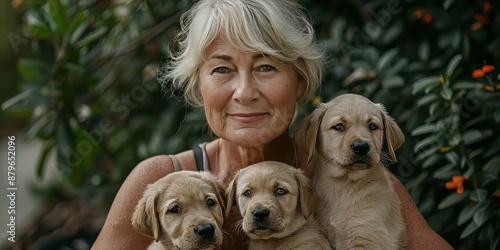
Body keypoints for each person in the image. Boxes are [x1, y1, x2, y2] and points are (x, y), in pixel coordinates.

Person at [92, 0, 453, 249]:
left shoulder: (359, 181)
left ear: (299, 82)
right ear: (199, 88)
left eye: (266, 67)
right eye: (221, 69)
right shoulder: (159, 181)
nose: (245, 92)